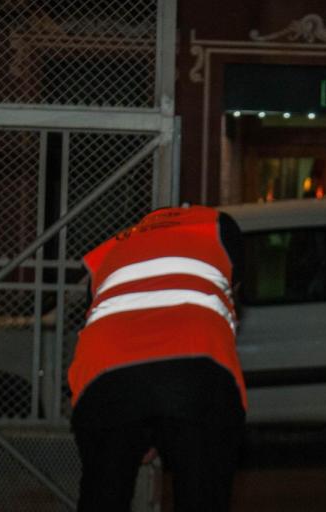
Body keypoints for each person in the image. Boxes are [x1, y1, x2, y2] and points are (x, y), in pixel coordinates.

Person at [68, 204, 245, 512]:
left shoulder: (113, 246)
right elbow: (234, 290)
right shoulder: (218, 226)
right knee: (202, 493)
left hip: (106, 371)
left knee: (103, 493)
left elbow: (94, 314)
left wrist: (139, 430)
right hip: (196, 364)